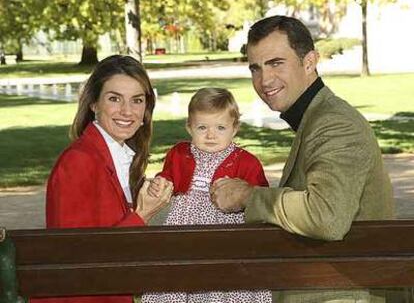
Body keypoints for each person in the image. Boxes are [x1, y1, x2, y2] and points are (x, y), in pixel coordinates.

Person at [210, 16, 394, 302]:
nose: (264, 80)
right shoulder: (316, 118)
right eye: (255, 68)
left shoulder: (335, 124)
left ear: (309, 62)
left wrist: (249, 196)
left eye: (276, 63)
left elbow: (326, 217)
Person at [31, 55, 172, 303]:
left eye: (137, 100)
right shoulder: (78, 162)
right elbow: (77, 255)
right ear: (94, 104)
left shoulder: (113, 156)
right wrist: (142, 215)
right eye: (114, 98)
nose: (127, 111)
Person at [141, 87, 271, 303]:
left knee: (219, 280)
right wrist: (161, 183)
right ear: (189, 127)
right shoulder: (179, 153)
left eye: (221, 127)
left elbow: (260, 197)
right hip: (183, 228)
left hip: (225, 232)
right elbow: (167, 177)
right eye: (202, 127)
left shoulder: (246, 161)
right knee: (179, 275)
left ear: (235, 128)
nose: (211, 135)